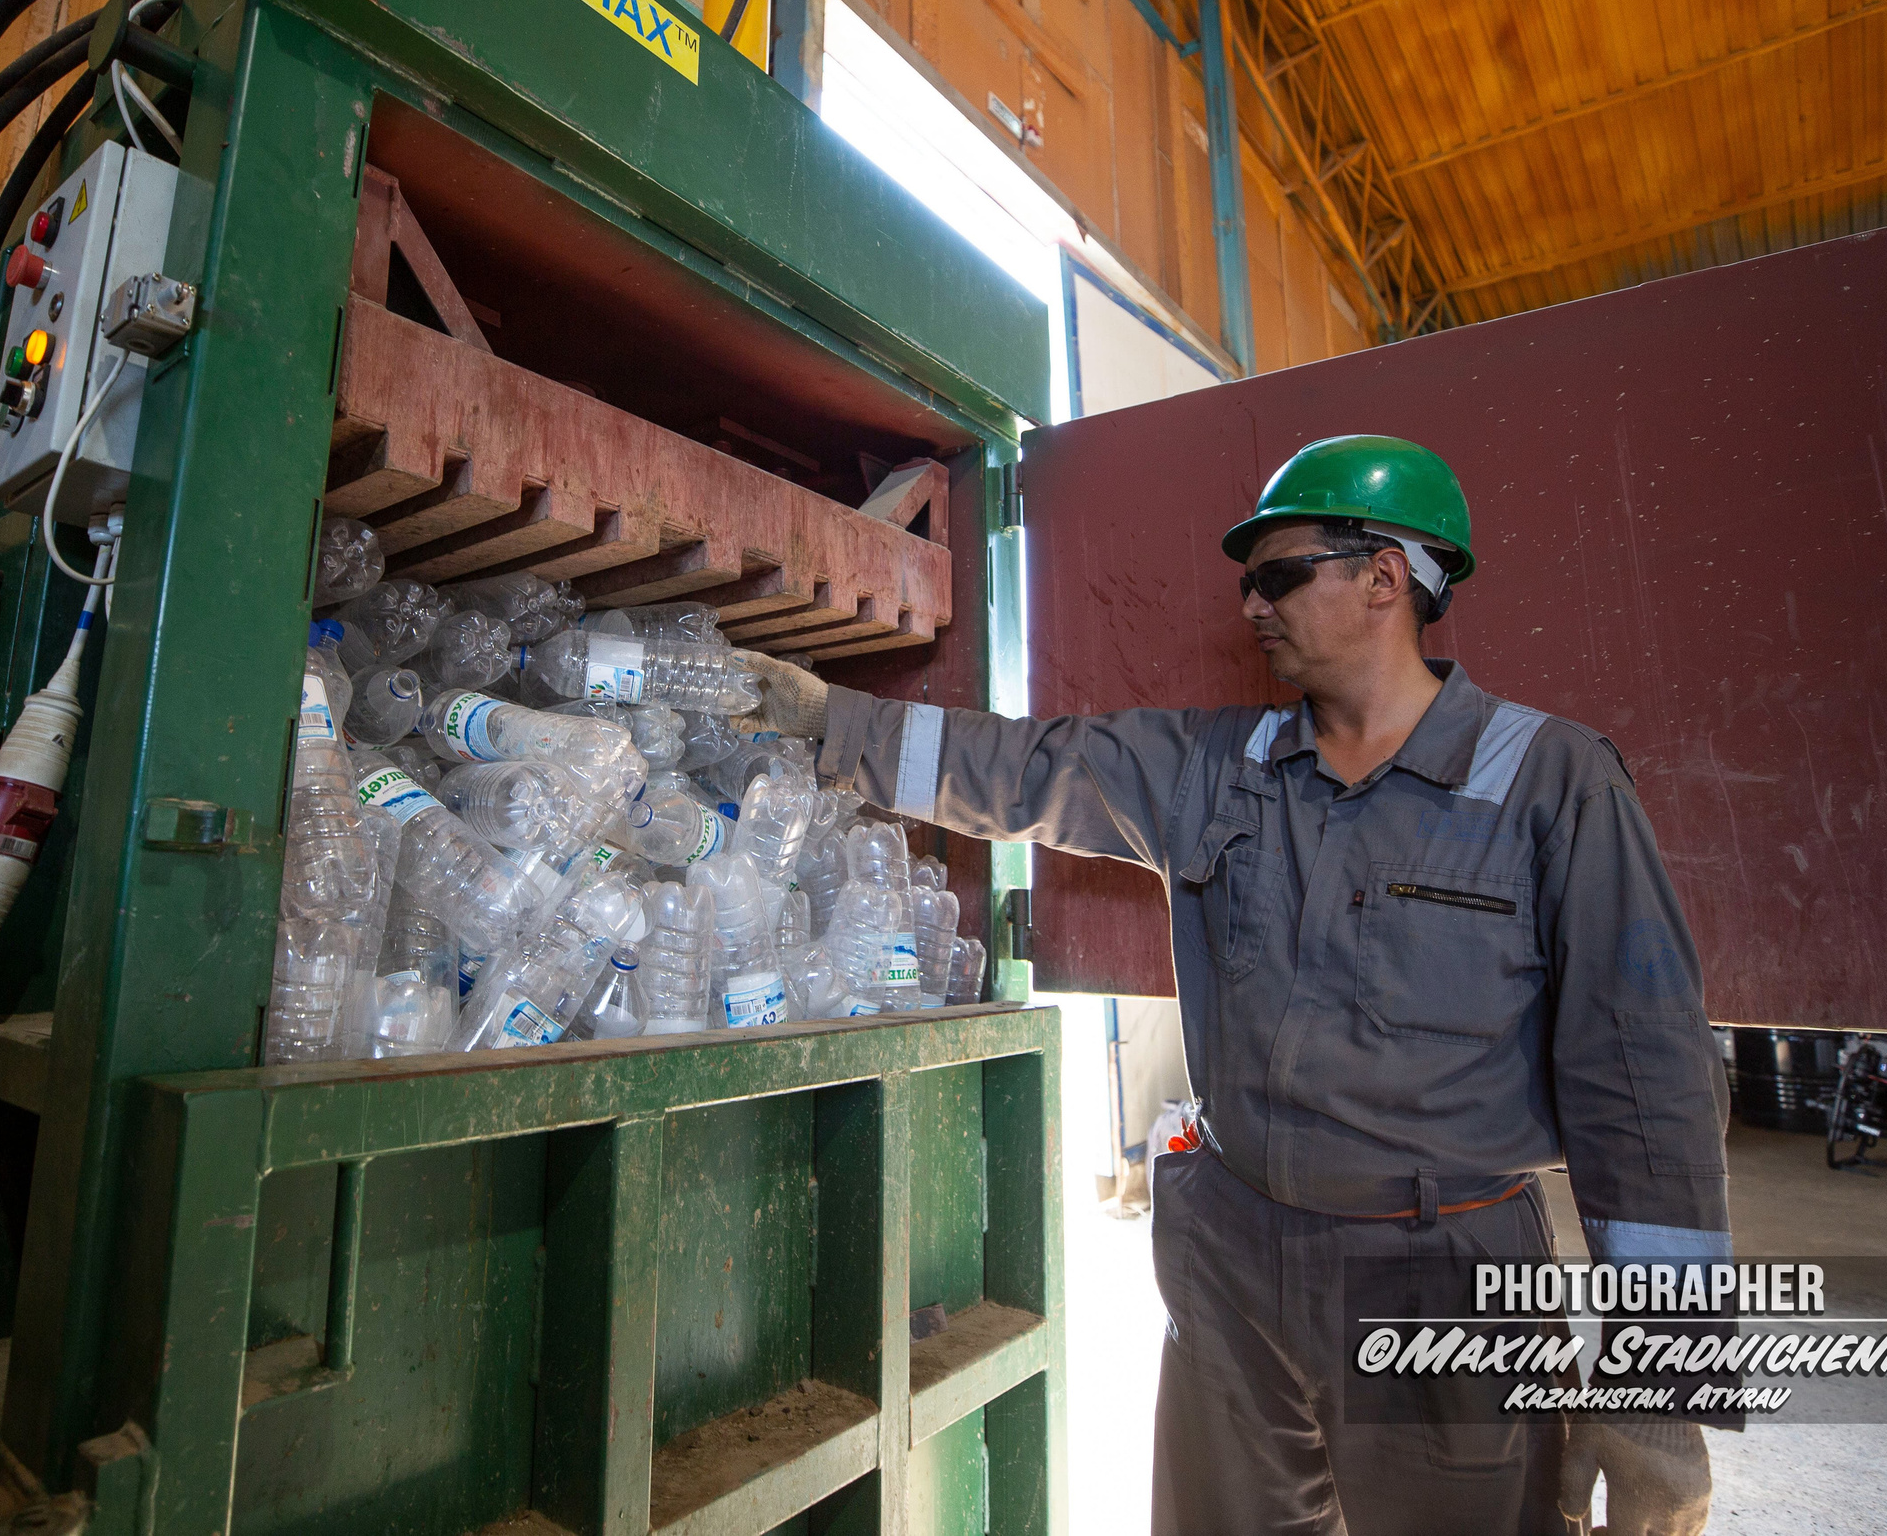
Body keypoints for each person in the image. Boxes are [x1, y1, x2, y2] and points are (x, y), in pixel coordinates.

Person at [740, 435, 1732, 1536]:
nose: (1249, 605)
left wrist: (1660, 1390)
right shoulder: (1220, 765)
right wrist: (827, 722)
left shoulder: (1549, 781)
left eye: (1276, 575)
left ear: (1384, 578)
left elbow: (1645, 1092)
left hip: (1441, 1271)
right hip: (1233, 1255)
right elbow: (1022, 769)